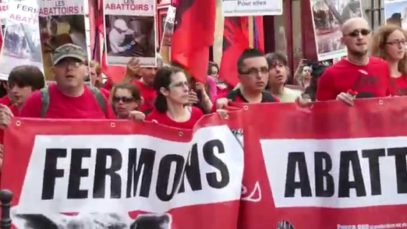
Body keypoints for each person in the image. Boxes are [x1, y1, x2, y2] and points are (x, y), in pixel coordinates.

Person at [20, 43, 115, 119]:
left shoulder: (103, 98)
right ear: (53, 71)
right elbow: (22, 135)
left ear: (86, 70)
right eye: (62, 64)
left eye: (76, 63)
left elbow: (117, 132)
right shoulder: (38, 101)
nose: (69, 68)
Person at [316, 17, 390, 105]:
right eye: (354, 34)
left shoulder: (383, 66)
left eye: (364, 32)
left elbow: (389, 103)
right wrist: (335, 104)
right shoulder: (330, 75)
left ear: (370, 36)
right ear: (343, 41)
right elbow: (319, 113)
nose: (360, 37)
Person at [371, 24, 407, 96]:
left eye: (403, 42)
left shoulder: (405, 75)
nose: (400, 46)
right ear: (382, 46)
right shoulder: (373, 78)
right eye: (395, 42)